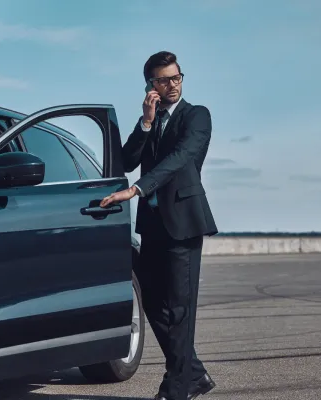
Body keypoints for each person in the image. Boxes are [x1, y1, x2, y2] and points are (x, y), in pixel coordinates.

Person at [100, 51, 218, 400]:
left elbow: (180, 160)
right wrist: (146, 122)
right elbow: (126, 160)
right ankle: (193, 373)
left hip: (183, 223)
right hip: (152, 226)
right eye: (164, 80)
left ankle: (178, 388)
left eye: (177, 77)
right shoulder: (151, 120)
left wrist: (137, 188)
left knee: (181, 311)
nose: (172, 85)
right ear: (150, 85)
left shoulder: (196, 116)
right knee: (151, 302)